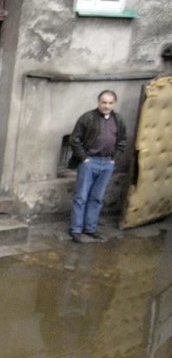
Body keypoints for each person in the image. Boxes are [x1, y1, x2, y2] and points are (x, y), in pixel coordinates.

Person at [67, 90, 126, 243]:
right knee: (81, 197)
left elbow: (122, 141)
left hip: (107, 163)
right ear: (98, 102)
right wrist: (84, 159)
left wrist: (114, 159)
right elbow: (75, 139)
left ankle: (90, 228)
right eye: (104, 102)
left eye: (110, 103)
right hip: (89, 162)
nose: (106, 106)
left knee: (97, 198)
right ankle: (76, 230)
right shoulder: (88, 118)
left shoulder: (118, 120)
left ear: (114, 104)